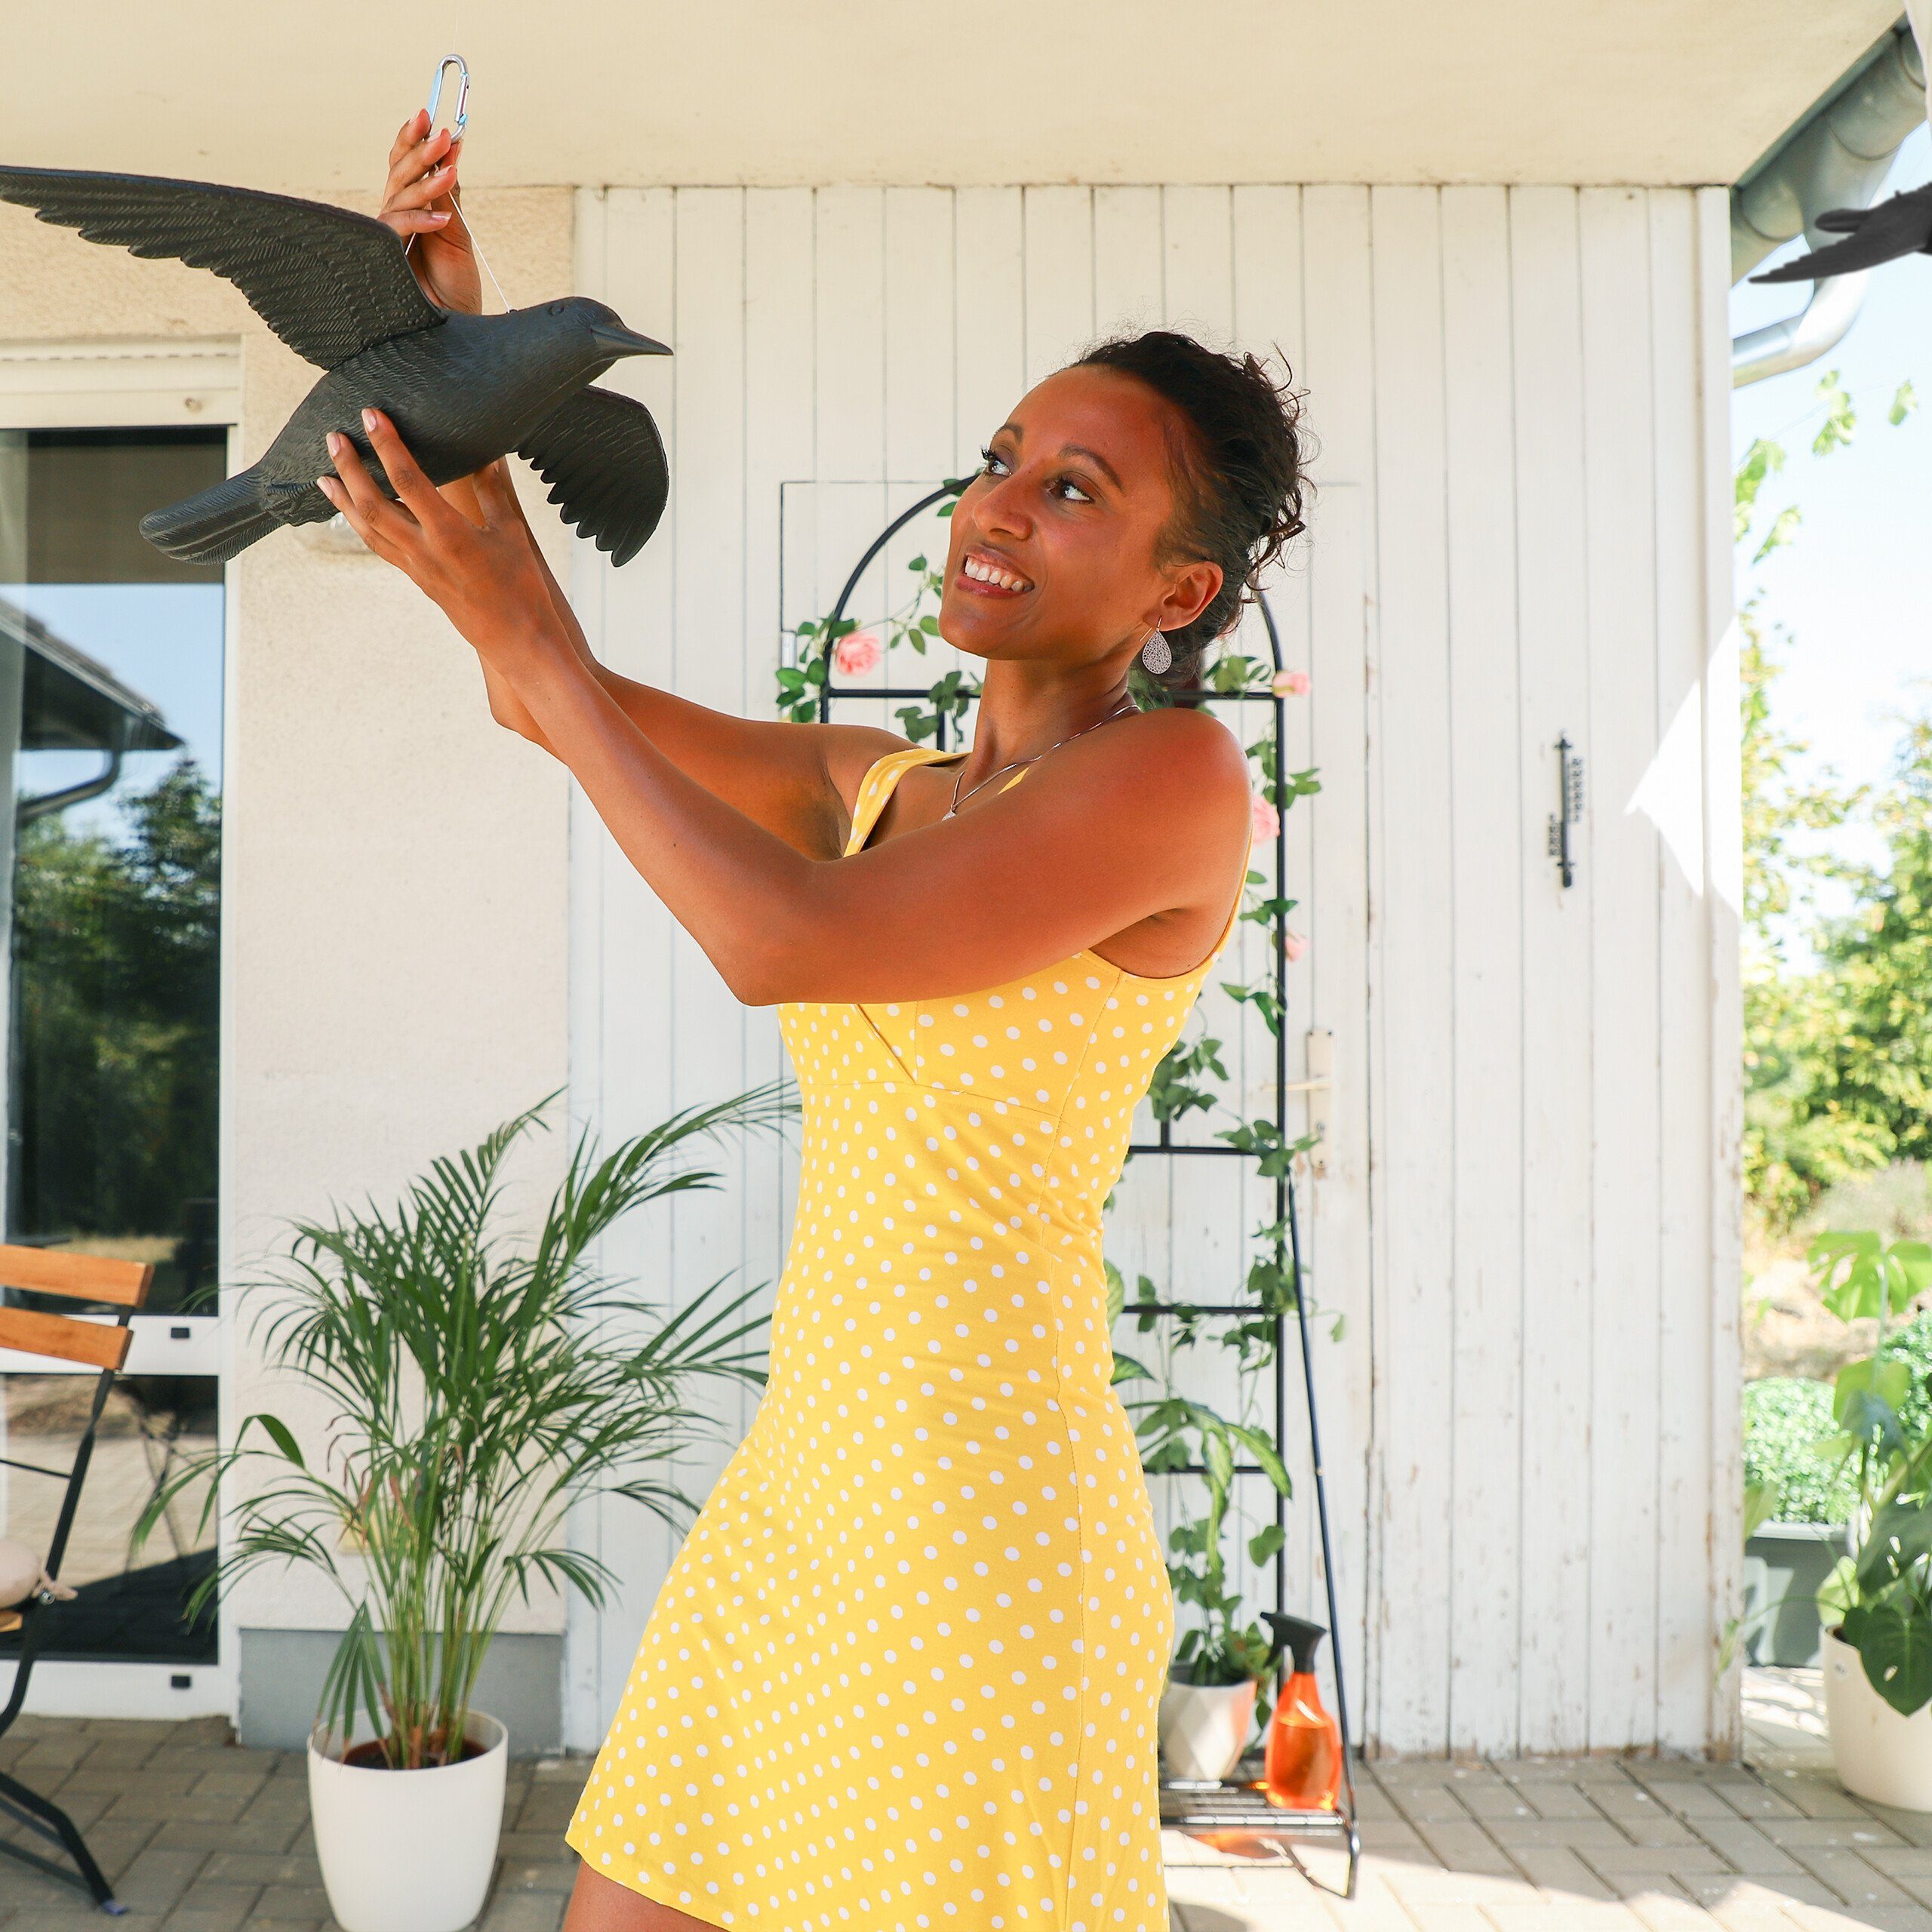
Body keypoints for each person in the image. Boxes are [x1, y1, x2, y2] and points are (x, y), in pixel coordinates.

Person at [358, 111, 1307, 1932]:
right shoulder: (875, 779)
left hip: (982, 1531)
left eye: (1077, 490)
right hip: (805, 1494)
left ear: (1176, 593)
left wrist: (537, 649)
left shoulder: (1173, 781)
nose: (1000, 506)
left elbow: (779, 941)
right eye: (1002, 459)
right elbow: (535, 694)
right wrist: (456, 375)